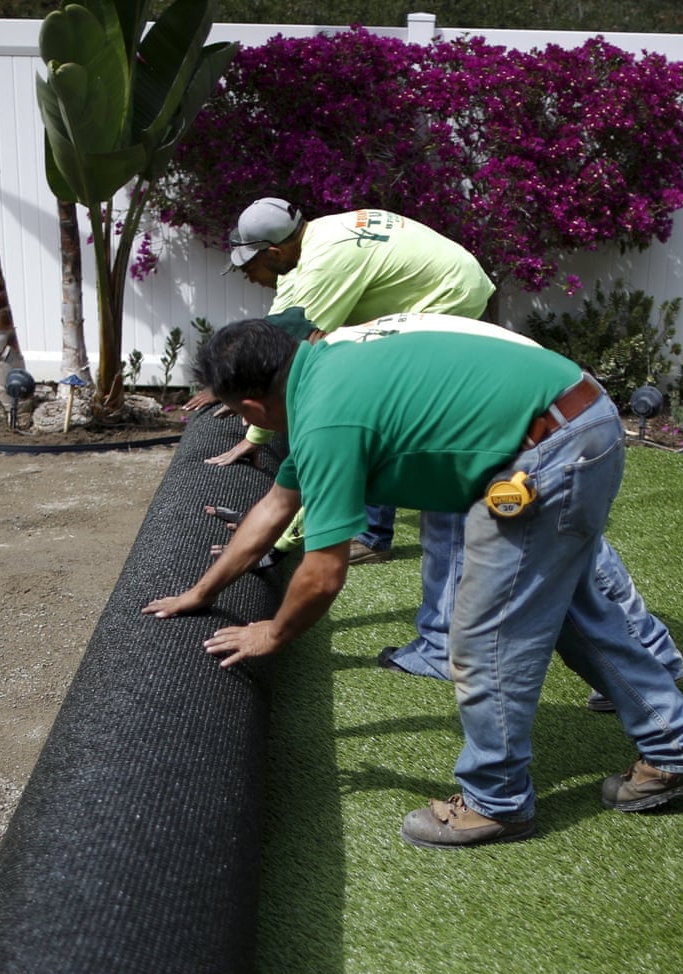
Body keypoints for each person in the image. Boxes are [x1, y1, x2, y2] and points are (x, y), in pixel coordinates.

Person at [144, 316, 683, 848]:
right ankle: (679, 752)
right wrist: (203, 592)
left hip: (546, 451)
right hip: (578, 420)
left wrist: (272, 633)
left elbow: (322, 573)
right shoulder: (322, 370)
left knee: (485, 637)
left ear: (250, 406)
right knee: (575, 615)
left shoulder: (326, 417)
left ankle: (496, 803)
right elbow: (276, 506)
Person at [200, 198, 495, 679]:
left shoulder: (322, 268)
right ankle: (374, 535)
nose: (251, 278)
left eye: (251, 266)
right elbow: (277, 348)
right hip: (528, 374)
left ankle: (443, 643)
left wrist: (281, 539)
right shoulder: (316, 239)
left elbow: (279, 359)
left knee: (440, 492)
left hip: (449, 302)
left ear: (273, 252)